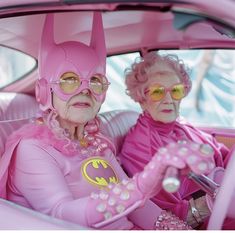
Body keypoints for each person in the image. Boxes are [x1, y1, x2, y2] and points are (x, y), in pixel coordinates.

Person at [0, 13, 215, 230]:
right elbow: (62, 216)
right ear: (45, 90)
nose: (85, 90)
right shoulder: (32, 149)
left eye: (94, 80)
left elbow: (139, 209)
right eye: (69, 80)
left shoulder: (96, 144)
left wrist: (180, 228)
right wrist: (143, 182)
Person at [119, 51, 235, 229]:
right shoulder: (139, 146)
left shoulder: (182, 126)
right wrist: (217, 201)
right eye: (157, 92)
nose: (168, 99)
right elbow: (167, 219)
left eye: (176, 90)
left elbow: (223, 156)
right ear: (142, 99)